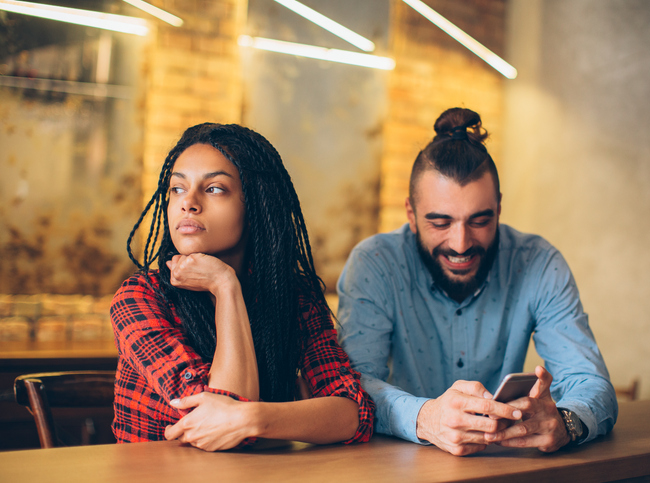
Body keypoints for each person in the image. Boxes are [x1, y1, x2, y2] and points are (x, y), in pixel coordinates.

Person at [337, 107, 617, 456]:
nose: (460, 244)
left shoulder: (539, 262)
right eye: (440, 223)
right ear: (411, 214)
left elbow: (591, 383)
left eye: (480, 221)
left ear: (498, 209)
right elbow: (352, 385)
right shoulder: (375, 263)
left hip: (504, 470)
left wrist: (565, 421)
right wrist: (426, 418)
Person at [111, 123, 374, 451]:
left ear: (255, 206)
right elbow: (217, 422)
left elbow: (353, 414)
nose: (188, 203)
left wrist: (254, 419)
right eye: (177, 188)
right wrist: (225, 287)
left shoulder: (294, 296)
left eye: (214, 189)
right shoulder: (140, 297)